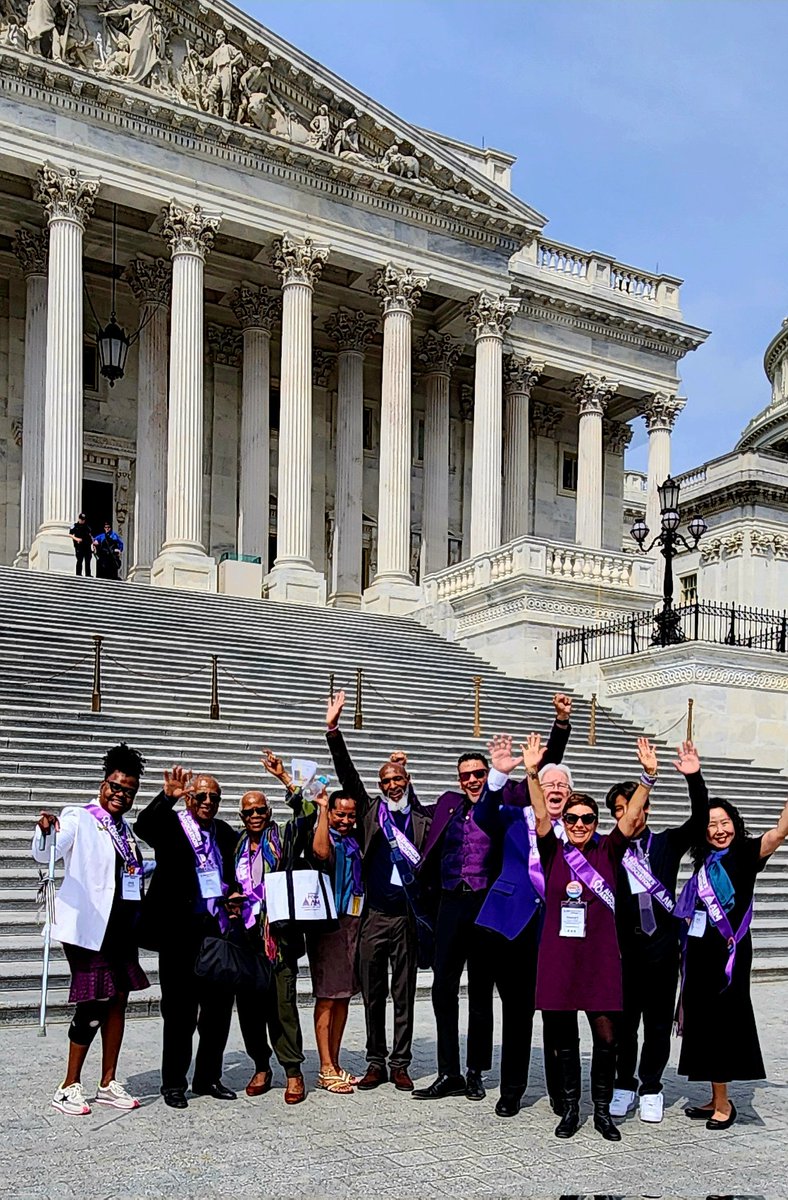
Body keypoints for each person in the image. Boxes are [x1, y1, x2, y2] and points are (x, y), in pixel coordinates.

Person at [413, 693, 572, 1103]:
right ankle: (448, 1070)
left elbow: (545, 773)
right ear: (457, 777)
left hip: (487, 907)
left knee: (481, 991)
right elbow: (408, 812)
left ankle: (475, 1070)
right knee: (443, 987)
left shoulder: (506, 799)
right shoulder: (447, 804)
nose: (472, 779)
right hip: (451, 901)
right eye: (465, 774)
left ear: (488, 773)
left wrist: (560, 727)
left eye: (478, 772)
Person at [531, 733, 657, 1141]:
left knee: (607, 1037)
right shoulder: (552, 850)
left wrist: (647, 778)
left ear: (596, 823)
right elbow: (539, 813)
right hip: (560, 956)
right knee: (563, 1037)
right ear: (563, 823)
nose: (580, 824)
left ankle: (602, 1111)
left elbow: (632, 817)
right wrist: (533, 773)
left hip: (600, 955)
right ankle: (570, 1109)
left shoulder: (608, 850)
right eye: (573, 818)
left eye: (587, 818)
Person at [31, 743, 148, 1116]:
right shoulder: (79, 817)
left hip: (120, 928)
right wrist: (46, 830)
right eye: (115, 787)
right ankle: (68, 1085)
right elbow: (47, 850)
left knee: (118, 1001)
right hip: (88, 928)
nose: (120, 795)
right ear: (103, 784)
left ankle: (108, 1082)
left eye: (128, 791)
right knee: (93, 1002)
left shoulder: (125, 831)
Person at [325, 689, 431, 1092]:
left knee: (403, 993)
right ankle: (375, 1061)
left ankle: (400, 1062)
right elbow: (346, 774)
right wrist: (334, 730)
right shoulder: (371, 813)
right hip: (374, 917)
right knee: (373, 994)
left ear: (407, 780)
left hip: (406, 919)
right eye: (386, 781)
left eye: (397, 779)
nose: (392, 785)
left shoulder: (422, 818)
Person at [674, 755, 788, 1130]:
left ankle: (725, 1104)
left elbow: (777, 834)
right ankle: (713, 1095)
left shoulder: (747, 853)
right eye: (711, 825)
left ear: (735, 825)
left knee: (721, 1022)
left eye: (725, 823)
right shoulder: (704, 860)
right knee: (703, 1021)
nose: (719, 830)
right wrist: (695, 780)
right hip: (699, 951)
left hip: (729, 951)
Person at [607, 740, 711, 1124]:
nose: (628, 816)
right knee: (624, 1025)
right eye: (619, 811)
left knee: (656, 1024)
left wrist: (693, 778)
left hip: (663, 949)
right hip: (625, 951)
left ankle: (651, 1085)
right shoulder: (609, 850)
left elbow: (700, 822)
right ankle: (623, 1083)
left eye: (633, 807)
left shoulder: (666, 842)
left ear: (645, 808)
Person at [134, 768, 238, 1108]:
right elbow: (143, 827)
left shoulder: (224, 833)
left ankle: (207, 1077)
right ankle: (174, 1083)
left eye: (214, 797)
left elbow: (236, 873)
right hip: (179, 934)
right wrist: (168, 797)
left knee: (218, 1012)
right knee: (179, 1012)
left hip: (216, 933)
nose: (208, 802)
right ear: (190, 798)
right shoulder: (172, 825)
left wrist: (236, 895)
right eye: (202, 796)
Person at [232, 755, 308, 1106]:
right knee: (250, 1006)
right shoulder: (236, 846)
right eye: (249, 812)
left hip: (278, 935)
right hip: (246, 935)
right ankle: (261, 1065)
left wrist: (284, 779)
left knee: (283, 1005)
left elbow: (308, 814)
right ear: (242, 817)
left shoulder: (285, 838)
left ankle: (292, 1070)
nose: (256, 816)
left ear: (269, 812)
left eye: (261, 810)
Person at [306, 784, 364, 1094]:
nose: (345, 820)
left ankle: (336, 1062)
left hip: (352, 922)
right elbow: (321, 853)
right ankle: (325, 1068)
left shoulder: (354, 840)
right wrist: (321, 811)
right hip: (327, 924)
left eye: (350, 815)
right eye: (339, 813)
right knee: (327, 995)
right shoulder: (326, 835)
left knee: (343, 994)